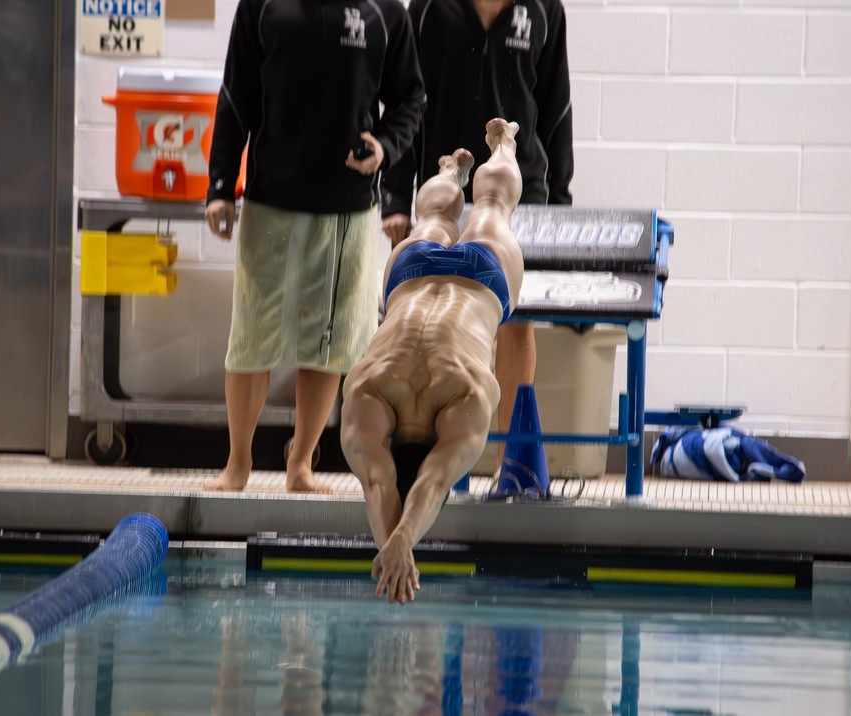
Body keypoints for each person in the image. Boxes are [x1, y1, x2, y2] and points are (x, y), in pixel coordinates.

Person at [202, 0, 426, 493]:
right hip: (270, 201)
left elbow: (411, 98)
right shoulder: (263, 6)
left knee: (328, 345)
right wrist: (220, 185)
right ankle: (237, 464)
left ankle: (300, 465)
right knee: (251, 339)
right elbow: (235, 95)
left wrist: (385, 146)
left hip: (345, 205)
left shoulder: (383, 12)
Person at [381, 0, 573, 476]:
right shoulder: (427, 9)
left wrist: (562, 208)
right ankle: (432, 457)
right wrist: (395, 201)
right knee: (432, 325)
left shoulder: (545, 10)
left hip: (518, 192)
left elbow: (557, 111)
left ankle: (507, 462)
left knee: (514, 324)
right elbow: (407, 102)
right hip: (444, 196)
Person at [341, 118, 524, 604]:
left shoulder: (468, 398)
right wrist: (395, 540)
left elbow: (434, 479)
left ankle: (503, 147)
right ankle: (459, 165)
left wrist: (402, 541)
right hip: (413, 272)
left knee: (494, 208)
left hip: (482, 279)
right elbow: (380, 481)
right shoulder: (366, 391)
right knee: (437, 218)